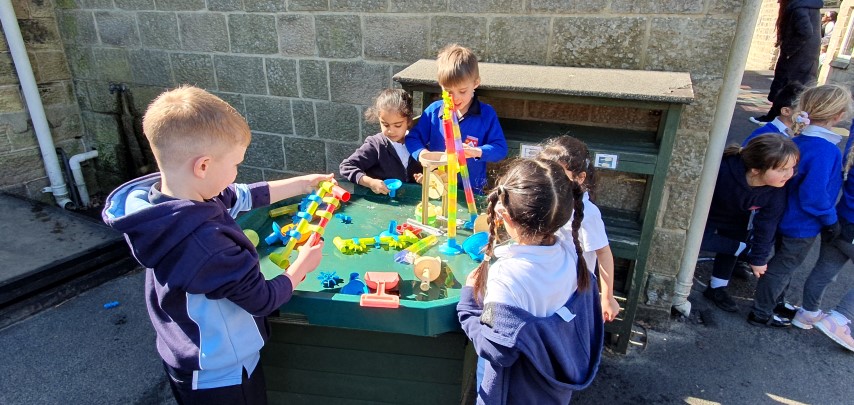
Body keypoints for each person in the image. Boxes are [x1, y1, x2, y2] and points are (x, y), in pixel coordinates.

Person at [101, 86, 331, 404]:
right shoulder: (205, 244)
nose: (237, 173)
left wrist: (303, 184)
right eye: (235, 164)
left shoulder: (170, 206)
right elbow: (262, 299)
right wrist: (302, 265)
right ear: (203, 166)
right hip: (221, 374)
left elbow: (244, 195)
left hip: (189, 353)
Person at [457, 158, 604, 403]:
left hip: (510, 395)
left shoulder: (506, 277)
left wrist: (468, 306)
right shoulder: (571, 253)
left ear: (504, 214)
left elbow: (495, 350)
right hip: (554, 391)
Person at [749, 84, 853, 328]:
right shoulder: (825, 149)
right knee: (783, 267)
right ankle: (761, 312)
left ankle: (774, 303)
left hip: (782, 214)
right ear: (838, 116)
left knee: (781, 263)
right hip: (801, 223)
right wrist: (830, 220)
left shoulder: (800, 139)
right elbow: (813, 196)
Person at [700, 135, 799, 312]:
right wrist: (747, 251)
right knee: (698, 241)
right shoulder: (724, 171)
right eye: (782, 169)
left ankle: (717, 287)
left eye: (792, 167)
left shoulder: (776, 190)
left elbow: (768, 224)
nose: (789, 174)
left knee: (732, 247)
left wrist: (759, 258)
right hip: (705, 213)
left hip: (737, 218)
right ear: (755, 170)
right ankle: (742, 250)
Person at [537, 135, 621, 322]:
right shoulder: (547, 200)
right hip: (547, 285)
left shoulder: (588, 214)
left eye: (559, 177)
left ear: (580, 178)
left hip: (573, 293)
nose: (551, 182)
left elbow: (604, 253)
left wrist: (607, 297)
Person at [405, 44, 508, 194]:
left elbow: (500, 149)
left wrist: (476, 151)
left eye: (462, 91)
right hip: (439, 189)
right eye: (448, 91)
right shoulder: (434, 111)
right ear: (440, 85)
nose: (455, 98)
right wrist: (422, 154)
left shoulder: (486, 114)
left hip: (471, 191)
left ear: (475, 83)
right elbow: (412, 138)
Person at [791, 122, 854, 329]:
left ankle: (808, 313)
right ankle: (840, 319)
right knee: (826, 270)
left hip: (841, 218)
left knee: (825, 270)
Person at [750, 0, 823, 125]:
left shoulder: (799, 7)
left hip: (797, 57)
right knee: (798, 89)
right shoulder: (810, 6)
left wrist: (789, 49)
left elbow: (805, 31)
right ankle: (788, 119)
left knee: (786, 87)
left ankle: (776, 119)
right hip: (807, 57)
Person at [339, 89, 423, 195]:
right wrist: (370, 182)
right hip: (380, 201)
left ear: (409, 121)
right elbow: (346, 166)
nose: (391, 131)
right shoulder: (375, 145)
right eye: (385, 124)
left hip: (411, 200)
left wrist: (424, 178)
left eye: (397, 125)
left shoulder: (417, 143)